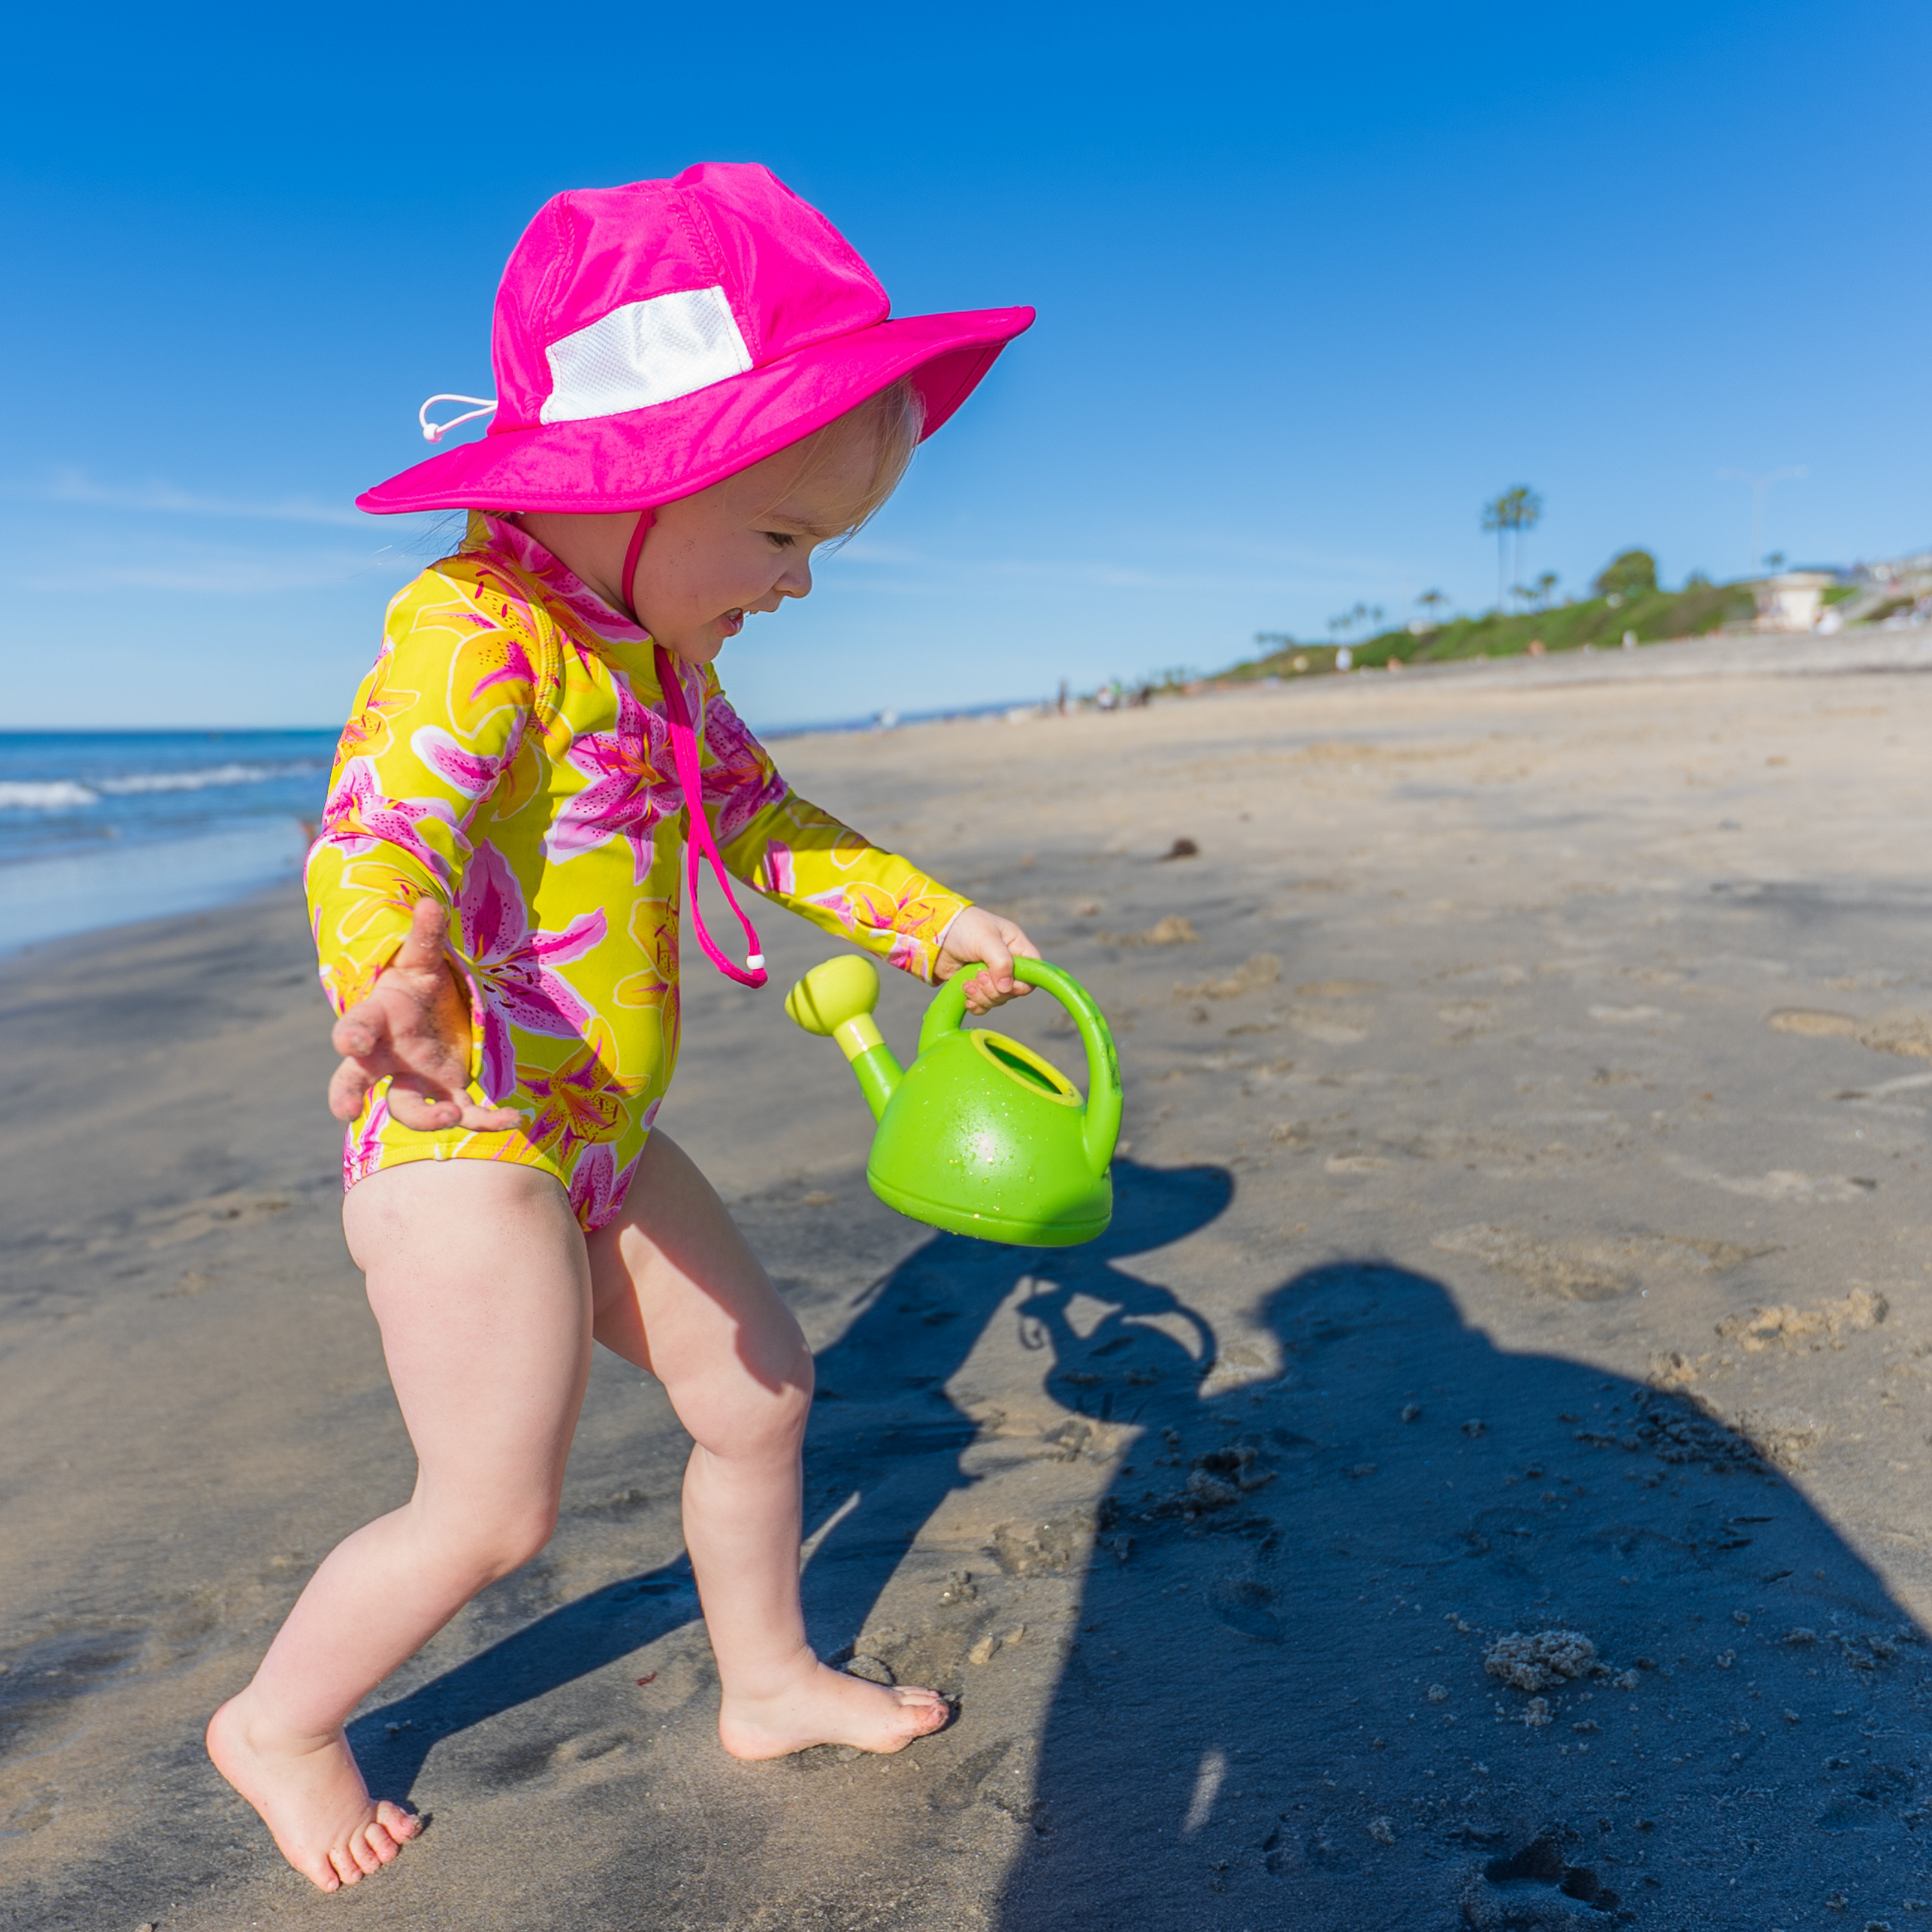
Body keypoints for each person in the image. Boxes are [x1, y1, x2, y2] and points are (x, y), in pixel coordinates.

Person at [205, 163, 1036, 1893]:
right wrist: (389, 972)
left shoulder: (665, 668)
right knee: (491, 1510)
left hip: (600, 1125)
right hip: (464, 1139)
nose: (799, 586)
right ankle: (278, 1724)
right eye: (786, 537)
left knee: (763, 1392)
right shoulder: (475, 630)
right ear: (648, 479)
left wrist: (931, 920)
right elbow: (380, 830)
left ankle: (770, 1679)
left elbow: (765, 822)